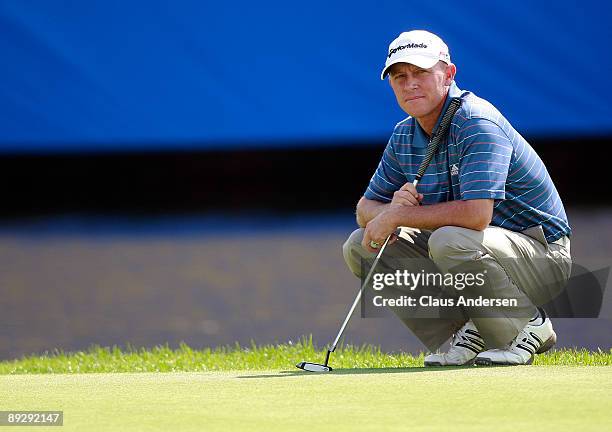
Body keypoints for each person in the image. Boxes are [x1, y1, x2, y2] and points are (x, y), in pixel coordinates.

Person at [342, 30, 572, 366]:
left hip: (542, 256)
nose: (410, 85)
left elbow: (477, 215)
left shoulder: (477, 122)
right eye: (399, 77)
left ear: (449, 74)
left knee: (450, 239)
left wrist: (396, 216)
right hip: (477, 253)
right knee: (361, 244)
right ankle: (466, 333)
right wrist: (392, 210)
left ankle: (527, 327)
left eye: (420, 73)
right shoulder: (404, 133)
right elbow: (366, 208)